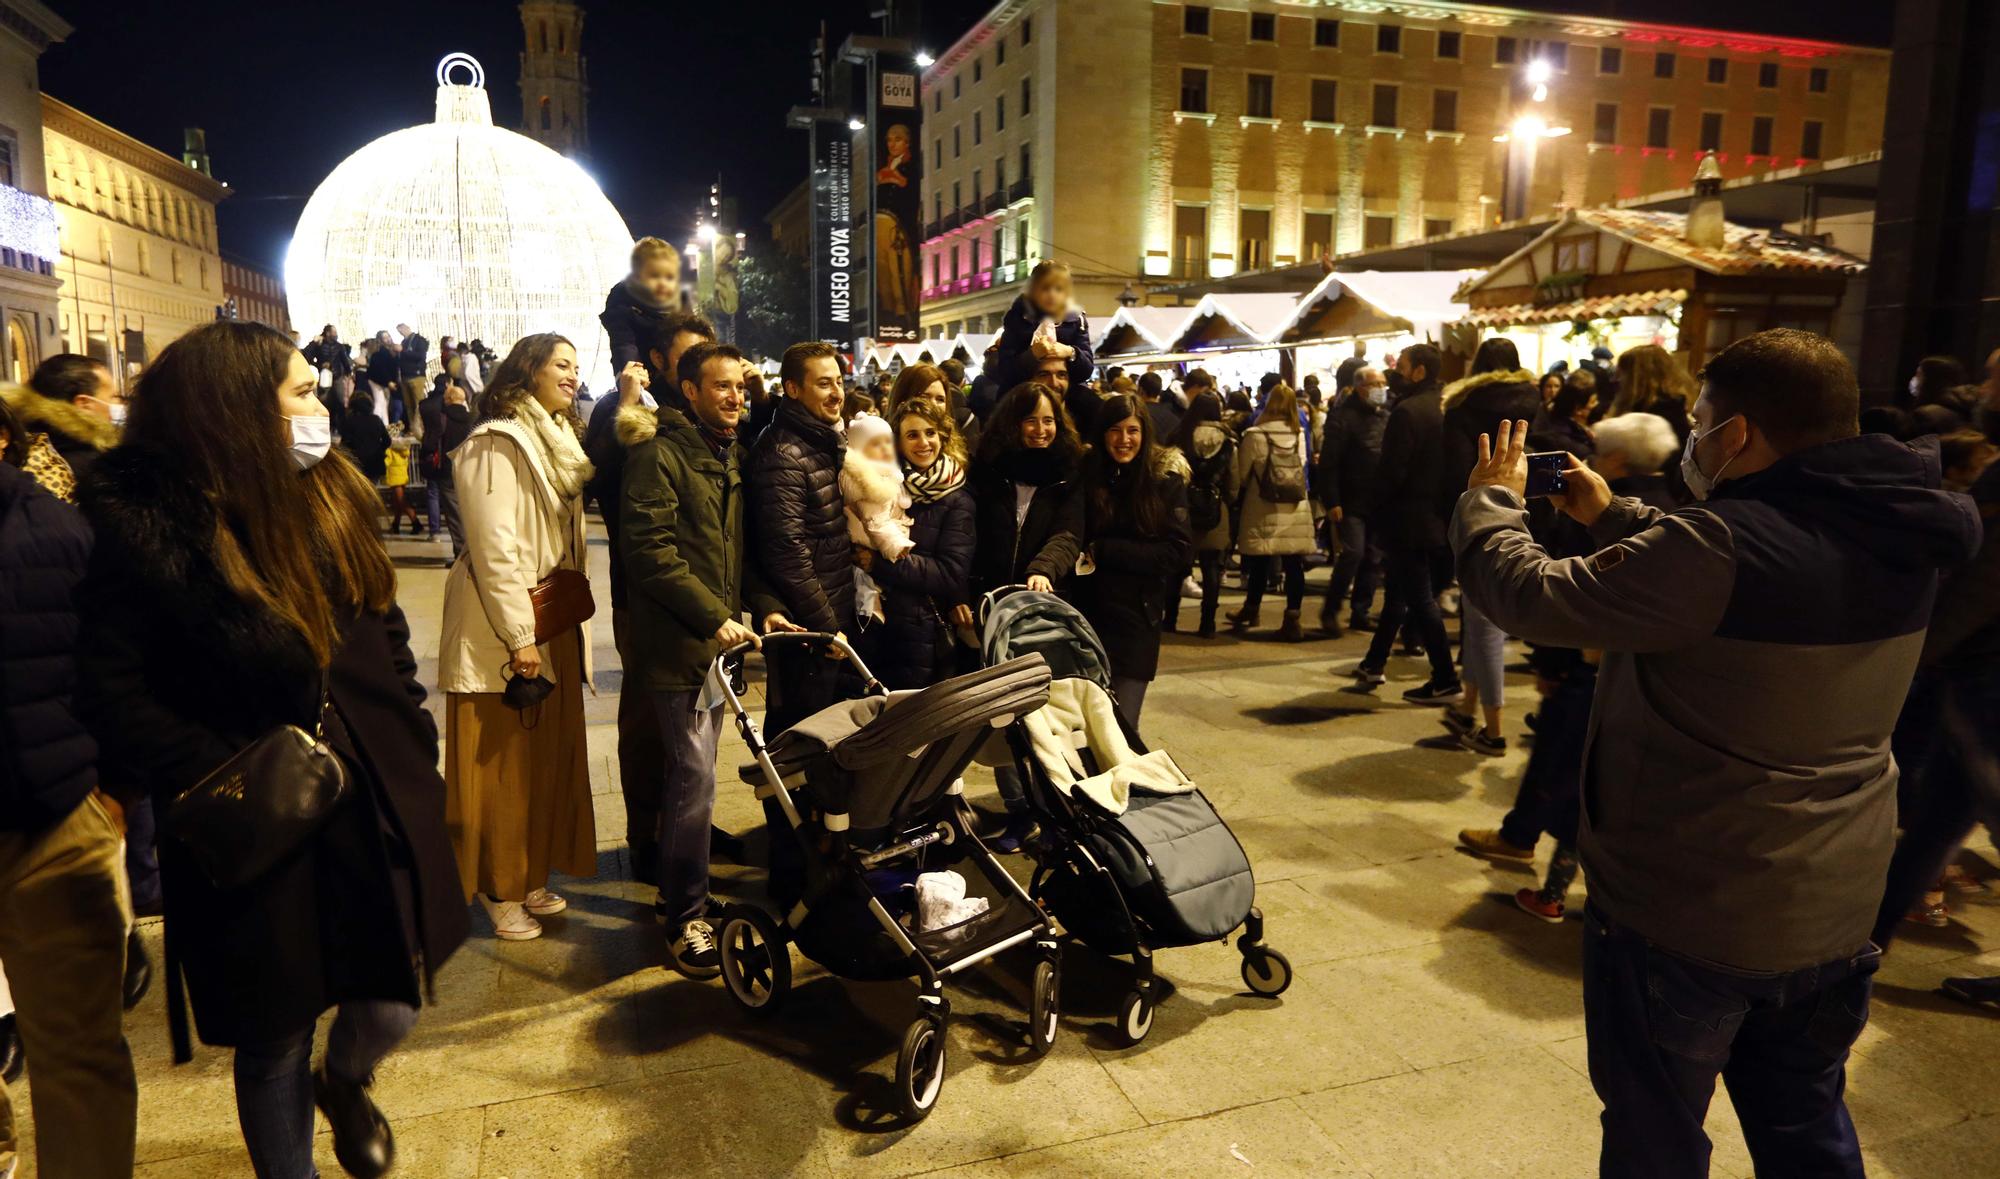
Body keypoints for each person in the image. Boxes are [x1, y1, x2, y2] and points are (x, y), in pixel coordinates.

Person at [1453, 328, 1981, 1176]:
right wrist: (1614, 515)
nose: (1695, 432)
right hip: (1833, 899)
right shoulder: (1903, 526)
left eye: (1702, 418)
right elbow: (1740, 577)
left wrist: (1491, 501)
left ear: (1734, 434)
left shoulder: (1720, 545)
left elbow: (1530, 593)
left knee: (1655, 1132)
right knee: (1805, 1124)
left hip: (1692, 903)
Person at [75, 321, 468, 1179]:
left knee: (393, 989)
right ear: (235, 411)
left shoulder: (333, 490)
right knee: (275, 1029)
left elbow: (383, 619)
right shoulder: (152, 530)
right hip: (253, 812)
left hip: (369, 784)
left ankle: (350, 1076)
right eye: (298, 391)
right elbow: (114, 691)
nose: (318, 404)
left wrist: (409, 718)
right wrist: (218, 773)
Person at [615, 341, 786, 977]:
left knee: (696, 776)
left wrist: (758, 604)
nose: (736, 397)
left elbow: (732, 553)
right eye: (721, 387)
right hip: (680, 647)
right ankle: (683, 916)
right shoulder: (660, 454)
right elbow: (651, 552)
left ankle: (683, 890)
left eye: (741, 386)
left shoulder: (725, 455)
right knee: (693, 778)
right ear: (689, 391)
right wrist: (714, 618)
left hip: (714, 646)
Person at [0, 395, 137, 1179]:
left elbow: (116, 668)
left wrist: (113, 794)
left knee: (78, 1058)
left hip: (54, 826)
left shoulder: (59, 530)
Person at [439, 333, 598, 942]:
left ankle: (528, 871)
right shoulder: (493, 443)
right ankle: (499, 889)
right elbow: (494, 547)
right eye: (562, 363)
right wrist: (518, 636)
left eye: (577, 366)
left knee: (539, 759)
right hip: (504, 629)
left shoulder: (553, 440)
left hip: (545, 619)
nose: (572, 375)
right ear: (527, 371)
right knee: (499, 766)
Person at [581, 312, 716, 884]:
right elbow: (601, 481)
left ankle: (688, 825)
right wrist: (628, 406)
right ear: (659, 360)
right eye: (688, 357)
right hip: (644, 588)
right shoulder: (626, 408)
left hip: (705, 588)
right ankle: (646, 836)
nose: (699, 367)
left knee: (700, 717)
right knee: (645, 716)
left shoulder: (702, 409)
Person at [747, 341, 858, 899]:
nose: (835, 391)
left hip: (828, 625)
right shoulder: (783, 453)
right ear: (792, 389)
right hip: (807, 636)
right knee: (798, 749)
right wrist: (826, 626)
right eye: (822, 382)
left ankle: (818, 862)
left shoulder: (819, 442)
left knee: (823, 751)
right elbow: (787, 551)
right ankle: (793, 873)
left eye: (837, 380)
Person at [970, 382, 1084, 846]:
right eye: (1032, 420)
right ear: (1013, 424)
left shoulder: (1070, 471)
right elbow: (969, 535)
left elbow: (1069, 533)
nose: (1041, 430)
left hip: (1041, 610)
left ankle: (1055, 808)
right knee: (1002, 715)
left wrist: (1042, 571)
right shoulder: (989, 470)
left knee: (1045, 713)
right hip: (990, 608)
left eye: (1049, 421)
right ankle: (1019, 811)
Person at [1437, 338, 1540, 755]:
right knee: (1482, 619)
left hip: (1481, 513)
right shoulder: (1534, 401)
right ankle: (1468, 702)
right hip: (1533, 512)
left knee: (1483, 622)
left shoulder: (1464, 407)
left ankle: (1493, 729)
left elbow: (1452, 472)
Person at [1071, 393, 1192, 726]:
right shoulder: (1088, 475)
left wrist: (1107, 550)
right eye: (1115, 430)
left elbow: (1178, 552)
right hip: (1088, 615)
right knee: (1085, 726)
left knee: (1123, 726)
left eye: (1132, 430)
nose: (1124, 440)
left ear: (1144, 433)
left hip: (1138, 618)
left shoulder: (1164, 480)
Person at [1356, 344, 1461, 701]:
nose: (1394, 373)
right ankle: (1373, 662)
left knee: (1418, 598)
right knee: (1399, 593)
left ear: (1418, 371)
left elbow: (1392, 472)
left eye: (1400, 367)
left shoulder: (1408, 412)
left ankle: (1445, 678)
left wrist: (1375, 507)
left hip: (1408, 520)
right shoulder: (1449, 407)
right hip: (1439, 517)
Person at [872, 397, 974, 689]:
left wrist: (878, 563)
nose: (923, 442)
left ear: (942, 436)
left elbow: (949, 573)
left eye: (930, 433)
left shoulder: (958, 499)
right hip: (883, 627)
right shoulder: (887, 486)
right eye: (912, 435)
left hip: (925, 630)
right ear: (899, 443)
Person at [1228, 382, 1316, 641]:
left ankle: (1251, 609)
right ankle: (1292, 618)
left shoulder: (1255, 435)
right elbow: (1304, 464)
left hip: (1262, 504)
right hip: (1295, 506)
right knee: (1293, 564)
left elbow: (1243, 475)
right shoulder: (1299, 434)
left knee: (1259, 561)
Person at [1317, 366, 1388, 635]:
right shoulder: (1342, 418)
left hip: (1378, 501)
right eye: (1375, 384)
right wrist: (1332, 499)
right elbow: (1329, 464)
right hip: (1351, 500)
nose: (1381, 388)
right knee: (1353, 554)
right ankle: (1331, 610)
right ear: (1361, 387)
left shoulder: (1386, 417)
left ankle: (1361, 611)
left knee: (1373, 558)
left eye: (1383, 383)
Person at [1172, 391, 1238, 639]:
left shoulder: (1180, 435)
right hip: (1214, 510)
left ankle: (1170, 619)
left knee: (1177, 565)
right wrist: (1226, 501)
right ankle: (1207, 623)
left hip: (1182, 507)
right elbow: (1234, 482)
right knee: (1211, 568)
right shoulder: (1227, 441)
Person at [840, 414, 913, 626]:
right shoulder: (867, 484)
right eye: (875, 444)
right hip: (869, 545)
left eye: (888, 442)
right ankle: (872, 615)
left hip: (874, 549)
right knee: (867, 589)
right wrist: (897, 545)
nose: (884, 448)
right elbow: (876, 522)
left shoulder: (884, 473)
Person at [6, 354, 122, 483]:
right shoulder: (95, 466)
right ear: (84, 404)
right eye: (112, 397)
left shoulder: (16, 443)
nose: (118, 404)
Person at [992, 259, 1094, 394]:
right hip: (1025, 394)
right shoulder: (1017, 318)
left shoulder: (1076, 319)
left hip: (1067, 395)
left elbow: (1086, 369)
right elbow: (1006, 371)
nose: (1052, 294)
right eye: (1045, 287)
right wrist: (1032, 355)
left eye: (1058, 288)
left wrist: (1070, 352)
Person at [601, 236, 682, 375]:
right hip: (642, 376)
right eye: (655, 276)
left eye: (669, 277)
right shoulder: (624, 307)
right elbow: (624, 346)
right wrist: (633, 375)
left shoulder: (677, 307)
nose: (663, 283)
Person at [419, 372, 474, 555]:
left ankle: (461, 553)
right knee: (470, 513)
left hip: (447, 470)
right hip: (470, 471)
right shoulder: (472, 419)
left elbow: (430, 443)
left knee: (454, 514)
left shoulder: (441, 418)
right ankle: (473, 551)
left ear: (448, 399)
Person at [1610, 343, 1695, 447]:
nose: (1617, 379)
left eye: (1622, 373)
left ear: (1637, 376)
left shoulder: (1648, 413)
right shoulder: (1675, 406)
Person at [1530, 372, 1598, 460]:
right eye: (1592, 402)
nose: (1596, 404)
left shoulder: (1578, 429)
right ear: (1578, 409)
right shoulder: (1573, 444)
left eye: (1556, 386)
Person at [341, 390, 391, 485]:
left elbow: (344, 444)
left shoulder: (350, 422)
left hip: (357, 463)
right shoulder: (376, 420)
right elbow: (387, 441)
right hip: (375, 462)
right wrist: (379, 449)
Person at [393, 322, 429, 426]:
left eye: (401, 330)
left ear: (407, 328)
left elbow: (420, 356)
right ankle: (413, 427)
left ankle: (422, 426)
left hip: (416, 376)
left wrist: (403, 351)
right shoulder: (404, 341)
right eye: (399, 332)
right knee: (408, 405)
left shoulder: (419, 340)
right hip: (405, 376)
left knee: (418, 403)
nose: (401, 333)